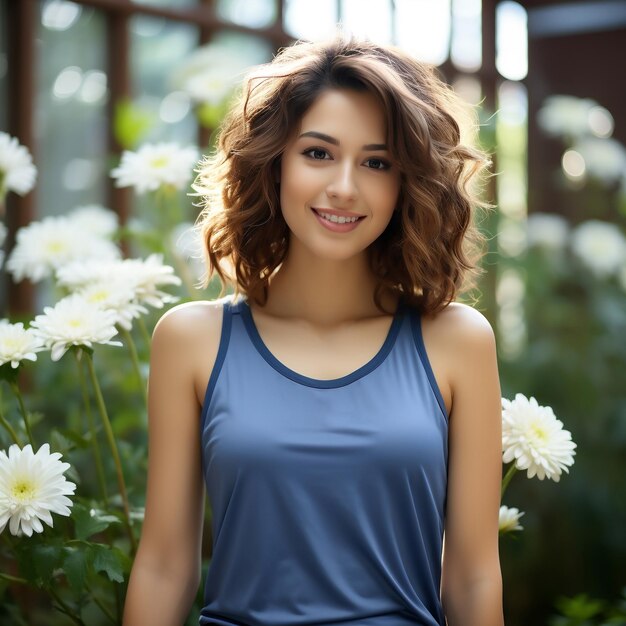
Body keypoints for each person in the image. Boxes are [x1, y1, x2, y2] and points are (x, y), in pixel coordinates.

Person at [123, 34, 505, 626]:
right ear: (273, 162)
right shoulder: (191, 341)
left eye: (377, 163)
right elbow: (166, 565)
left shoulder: (457, 341)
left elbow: (474, 577)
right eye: (318, 153)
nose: (344, 187)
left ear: (409, 183)